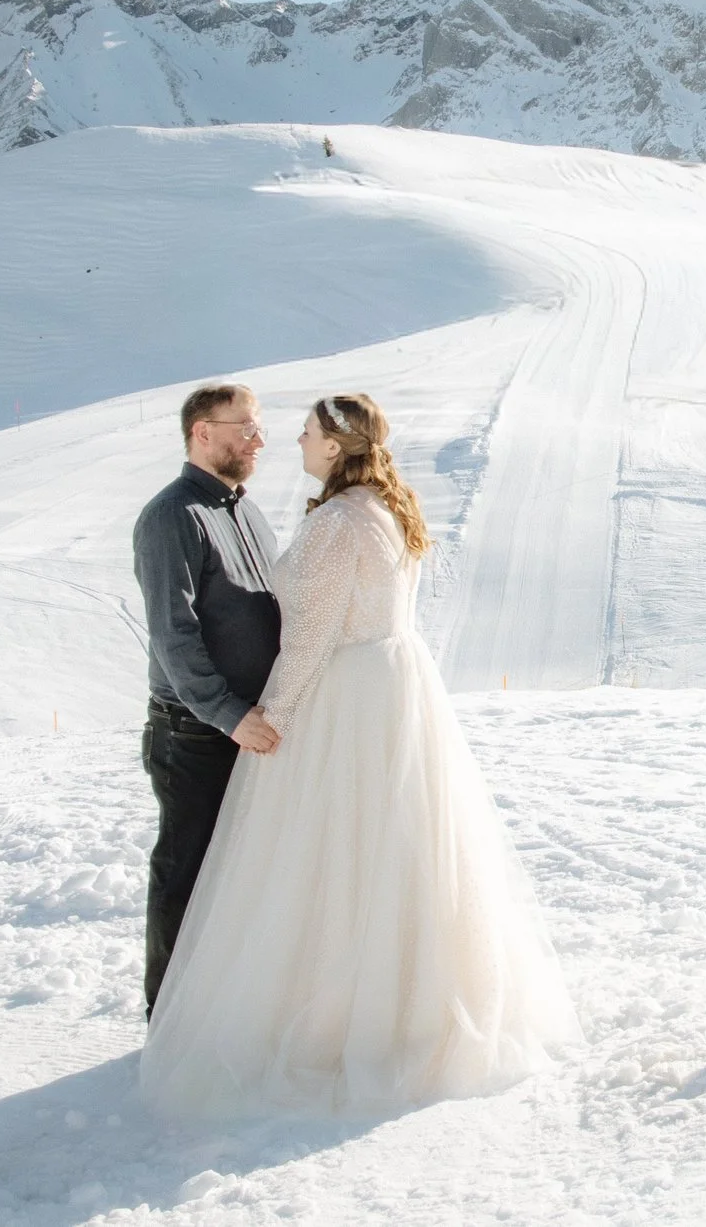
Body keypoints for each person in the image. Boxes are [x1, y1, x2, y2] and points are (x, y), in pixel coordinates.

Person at [140, 392, 580, 1116]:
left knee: (325, 857)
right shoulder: (380, 508)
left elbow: (308, 635)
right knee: (391, 852)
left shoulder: (334, 522)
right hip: (390, 692)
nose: (290, 439)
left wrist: (270, 719)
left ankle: (325, 1012)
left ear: (338, 445)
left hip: (342, 698)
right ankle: (406, 1000)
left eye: (306, 431)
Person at [133, 384, 283, 1019]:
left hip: (248, 726)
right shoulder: (173, 516)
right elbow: (174, 632)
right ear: (202, 431)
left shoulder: (242, 507)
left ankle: (221, 1011)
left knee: (241, 874)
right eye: (244, 427)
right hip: (196, 732)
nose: (258, 439)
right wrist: (228, 715)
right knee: (187, 872)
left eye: (258, 426)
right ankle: (167, 1019)